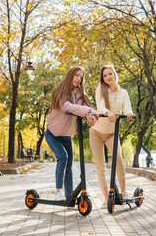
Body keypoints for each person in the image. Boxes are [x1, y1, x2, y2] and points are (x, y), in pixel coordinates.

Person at [45, 66, 99, 201]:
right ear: (70, 75)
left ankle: (69, 196)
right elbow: (69, 107)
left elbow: (91, 108)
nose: (79, 79)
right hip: (52, 133)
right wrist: (87, 112)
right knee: (62, 157)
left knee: (69, 165)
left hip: (66, 136)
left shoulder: (81, 94)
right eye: (76, 75)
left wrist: (93, 117)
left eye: (81, 77)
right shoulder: (60, 92)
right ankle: (58, 192)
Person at [89, 65, 135, 209]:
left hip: (111, 133)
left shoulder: (124, 92)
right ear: (102, 79)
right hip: (96, 132)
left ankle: (124, 192)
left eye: (110, 74)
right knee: (100, 166)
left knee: (119, 159)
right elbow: (100, 107)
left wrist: (128, 113)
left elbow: (127, 107)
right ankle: (105, 199)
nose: (108, 77)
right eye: (105, 75)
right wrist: (108, 113)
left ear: (115, 74)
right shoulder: (100, 90)